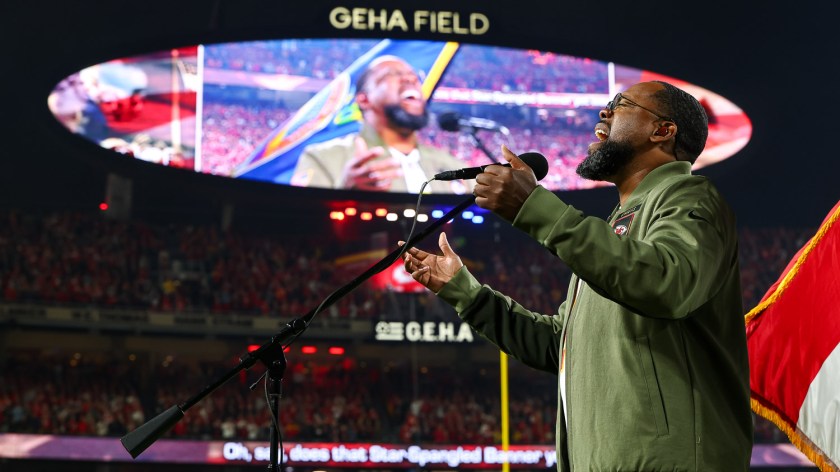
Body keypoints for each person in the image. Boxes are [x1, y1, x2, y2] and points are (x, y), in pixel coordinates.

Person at [401, 81, 753, 471]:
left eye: (620, 105)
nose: (604, 113)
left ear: (663, 131)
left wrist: (533, 207)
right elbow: (561, 347)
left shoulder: (689, 196)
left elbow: (667, 284)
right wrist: (465, 293)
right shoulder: (614, 230)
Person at [290, 56, 470, 194]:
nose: (410, 80)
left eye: (414, 77)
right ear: (364, 99)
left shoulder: (453, 165)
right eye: (391, 75)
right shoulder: (323, 157)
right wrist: (346, 192)